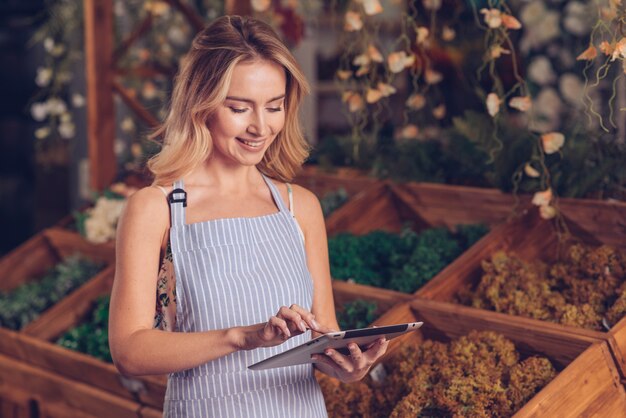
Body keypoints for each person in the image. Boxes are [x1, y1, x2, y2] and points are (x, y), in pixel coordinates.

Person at [108, 15, 389, 417]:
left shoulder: (299, 207)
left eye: (274, 107)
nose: (261, 126)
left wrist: (350, 368)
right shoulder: (156, 208)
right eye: (239, 108)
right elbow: (130, 352)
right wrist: (241, 337)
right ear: (200, 105)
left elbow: (323, 332)